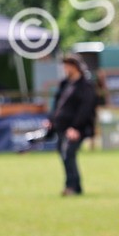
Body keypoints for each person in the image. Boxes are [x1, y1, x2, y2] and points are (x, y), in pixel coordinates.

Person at [46, 55, 98, 196]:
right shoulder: (65, 83)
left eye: (67, 66)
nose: (65, 69)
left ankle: (72, 187)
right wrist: (51, 119)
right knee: (64, 154)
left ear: (75, 67)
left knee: (68, 153)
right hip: (62, 126)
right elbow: (57, 104)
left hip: (76, 128)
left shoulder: (85, 85)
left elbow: (86, 108)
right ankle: (74, 187)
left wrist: (75, 127)